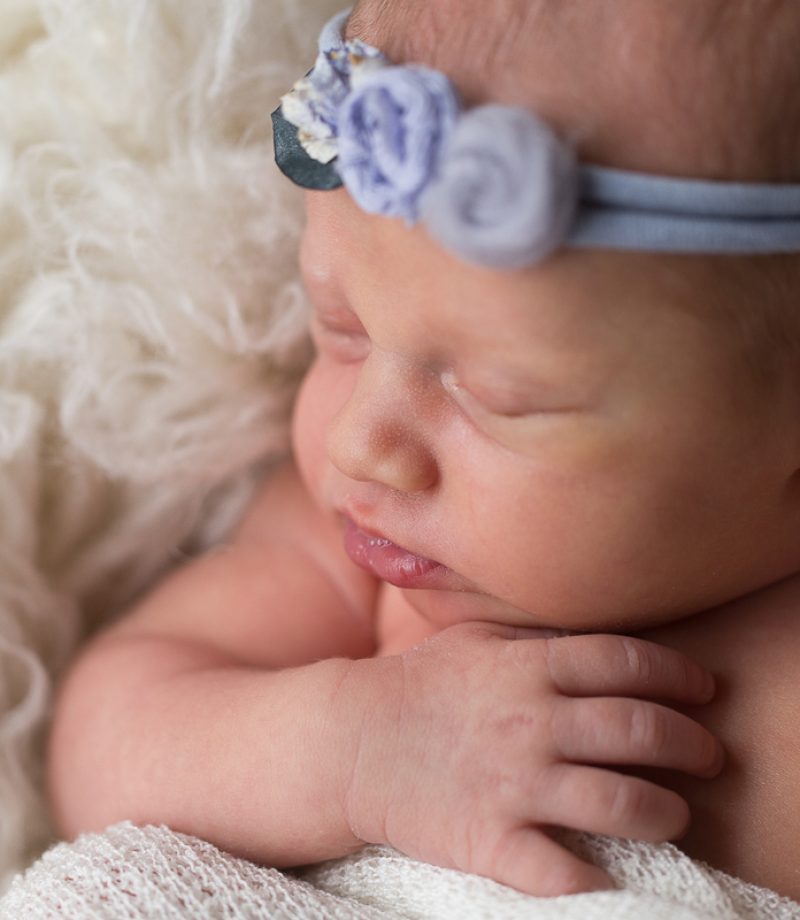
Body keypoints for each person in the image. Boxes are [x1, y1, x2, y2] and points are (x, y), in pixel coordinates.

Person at [47, 0, 800, 900]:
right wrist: (361, 746)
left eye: (492, 396)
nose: (361, 442)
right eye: (344, 328)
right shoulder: (362, 563)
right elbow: (110, 733)